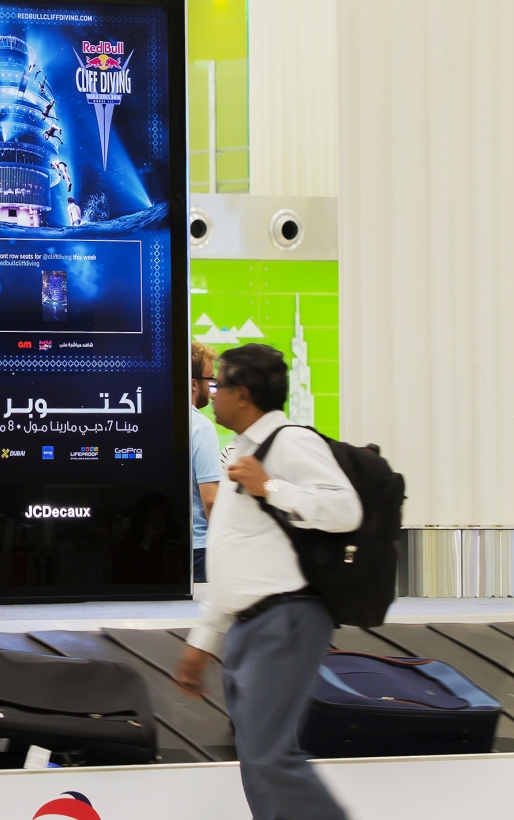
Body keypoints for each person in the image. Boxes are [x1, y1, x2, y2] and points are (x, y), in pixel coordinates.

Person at [174, 344, 360, 820]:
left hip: (287, 619)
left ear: (244, 393)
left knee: (270, 756)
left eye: (220, 386)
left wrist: (270, 487)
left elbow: (345, 510)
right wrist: (204, 639)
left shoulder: (291, 443)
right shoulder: (242, 450)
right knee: (256, 759)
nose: (211, 395)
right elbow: (233, 550)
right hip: (248, 626)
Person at [190, 341, 222, 583]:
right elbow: (210, 500)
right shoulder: (200, 427)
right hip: (201, 548)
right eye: (209, 381)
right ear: (193, 384)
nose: (213, 392)